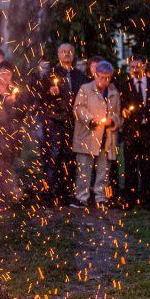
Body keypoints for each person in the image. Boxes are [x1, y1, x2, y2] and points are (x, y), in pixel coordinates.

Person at [38, 44, 88, 206]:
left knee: (70, 158)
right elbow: (40, 96)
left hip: (73, 123)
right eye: (63, 52)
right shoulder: (50, 74)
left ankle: (66, 194)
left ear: (73, 55)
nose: (67, 54)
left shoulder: (79, 75)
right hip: (55, 121)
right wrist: (49, 92)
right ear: (58, 54)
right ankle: (49, 195)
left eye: (70, 52)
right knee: (53, 156)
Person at [118, 56, 150, 207]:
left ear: (144, 66)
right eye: (132, 66)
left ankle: (148, 200)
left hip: (149, 130)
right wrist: (123, 111)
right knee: (130, 165)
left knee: (148, 165)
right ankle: (130, 200)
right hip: (131, 130)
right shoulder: (125, 86)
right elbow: (120, 104)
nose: (135, 69)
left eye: (138, 66)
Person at [71, 61, 121, 210]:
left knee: (103, 172)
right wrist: (90, 119)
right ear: (95, 75)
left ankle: (102, 198)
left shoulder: (114, 93)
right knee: (84, 170)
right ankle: (81, 197)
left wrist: (113, 121)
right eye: (101, 77)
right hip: (88, 136)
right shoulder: (85, 89)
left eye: (107, 78)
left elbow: (119, 115)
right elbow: (78, 108)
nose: (104, 81)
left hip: (106, 138)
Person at [0, 62, 31, 210]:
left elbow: (23, 112)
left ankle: (6, 199)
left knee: (7, 168)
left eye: (8, 73)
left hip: (11, 137)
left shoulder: (16, 92)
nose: (5, 76)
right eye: (2, 72)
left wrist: (15, 104)